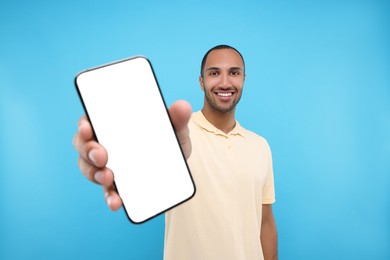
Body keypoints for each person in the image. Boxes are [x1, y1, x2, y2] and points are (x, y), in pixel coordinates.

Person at [73, 45, 278, 260]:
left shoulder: (260, 146)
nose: (225, 82)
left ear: (244, 79)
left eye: (234, 73)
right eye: (214, 73)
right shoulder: (174, 133)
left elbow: (265, 221)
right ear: (201, 81)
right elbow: (143, 174)